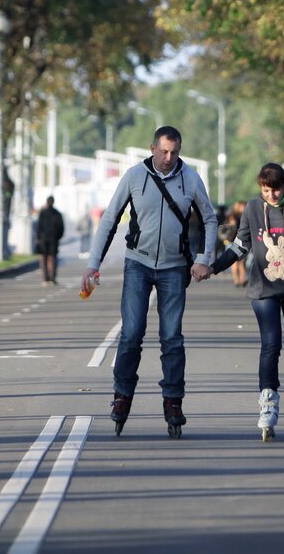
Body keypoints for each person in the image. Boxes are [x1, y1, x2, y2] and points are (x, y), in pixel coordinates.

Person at [82, 126, 217, 438]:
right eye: (164, 151)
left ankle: (173, 402)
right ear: (153, 148)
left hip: (174, 268)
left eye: (174, 153)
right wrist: (93, 265)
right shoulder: (134, 176)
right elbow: (109, 219)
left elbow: (209, 219)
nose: (169, 158)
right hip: (138, 264)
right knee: (131, 334)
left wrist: (204, 258)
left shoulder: (191, 178)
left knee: (172, 338)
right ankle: (121, 396)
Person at [207, 164, 284, 441]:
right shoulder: (254, 209)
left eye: (276, 189)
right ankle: (268, 399)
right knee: (271, 343)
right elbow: (239, 245)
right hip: (263, 287)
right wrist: (214, 267)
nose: (272, 196)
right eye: (266, 190)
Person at [218, 200, 248, 288]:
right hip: (232, 241)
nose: (243, 208)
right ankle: (236, 280)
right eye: (242, 206)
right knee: (234, 261)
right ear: (238, 207)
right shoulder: (233, 216)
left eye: (244, 206)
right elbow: (231, 226)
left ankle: (242, 279)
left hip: (242, 241)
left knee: (242, 262)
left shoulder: (245, 216)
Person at [36, 196, 65, 285]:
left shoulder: (42, 213)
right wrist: (58, 237)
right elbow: (61, 228)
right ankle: (53, 277)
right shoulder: (58, 214)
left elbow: (38, 227)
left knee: (43, 259)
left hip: (43, 239)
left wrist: (38, 238)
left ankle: (45, 278)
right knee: (53, 258)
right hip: (53, 239)